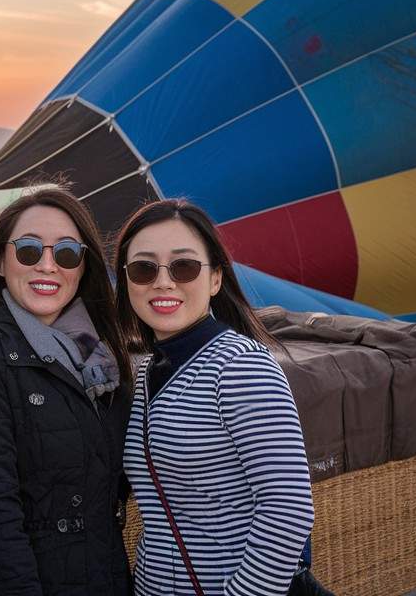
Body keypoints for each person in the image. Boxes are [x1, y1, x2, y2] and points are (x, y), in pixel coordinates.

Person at [115, 199, 314, 596]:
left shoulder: (240, 366)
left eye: (184, 266)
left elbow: (287, 509)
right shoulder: (146, 374)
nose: (163, 282)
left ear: (216, 279)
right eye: (144, 269)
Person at [0, 186, 132, 596]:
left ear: (83, 265)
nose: (48, 265)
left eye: (66, 253)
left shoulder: (103, 359)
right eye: (29, 251)